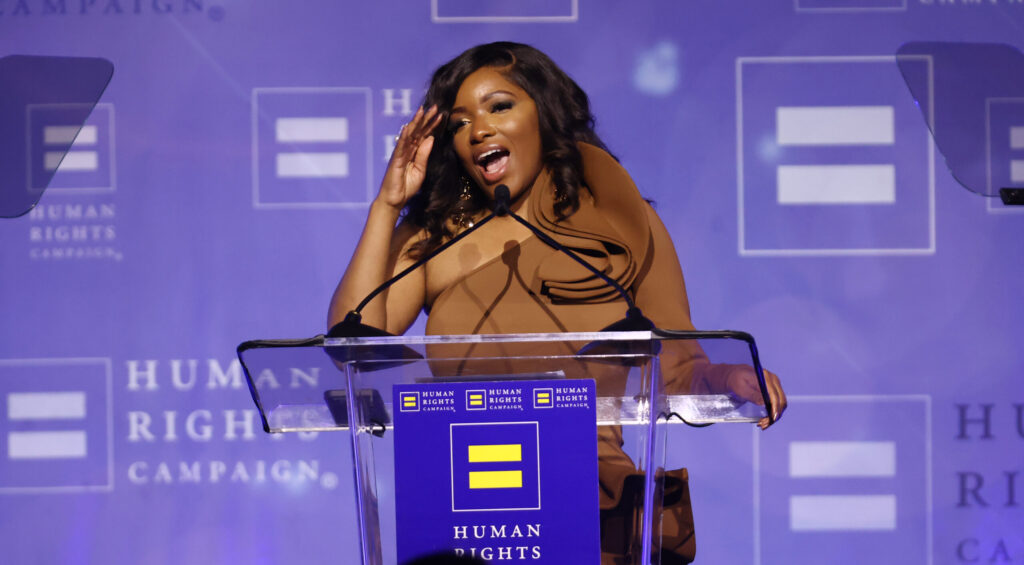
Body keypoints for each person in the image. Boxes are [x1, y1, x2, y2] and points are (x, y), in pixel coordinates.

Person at [329, 41, 786, 564]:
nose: (478, 130)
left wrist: (731, 381)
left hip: (592, 514)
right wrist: (388, 206)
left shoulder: (619, 223)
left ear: (543, 114)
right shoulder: (437, 233)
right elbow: (352, 339)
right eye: (459, 123)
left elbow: (678, 367)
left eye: (499, 106)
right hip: (465, 514)